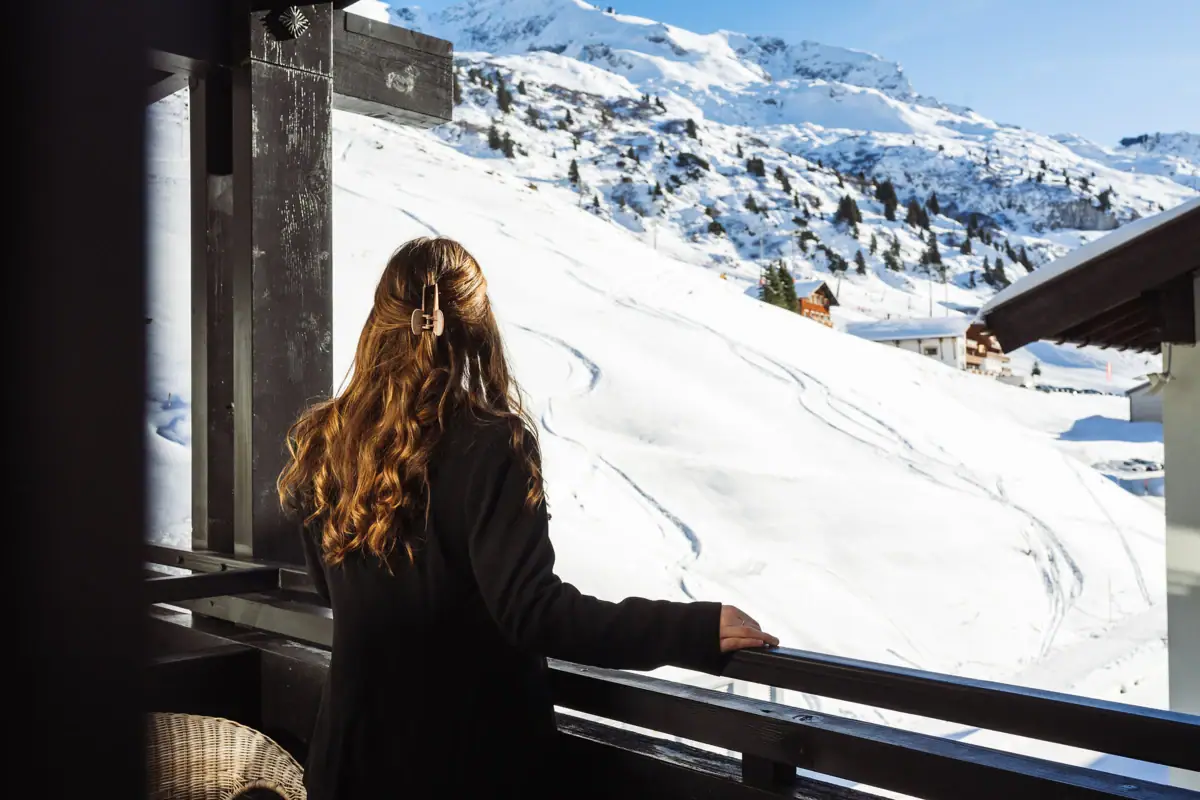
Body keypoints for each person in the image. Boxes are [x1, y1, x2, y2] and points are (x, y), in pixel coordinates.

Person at [278, 237, 777, 800]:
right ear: (479, 326)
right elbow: (532, 612)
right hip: (466, 768)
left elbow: (329, 587)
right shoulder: (492, 444)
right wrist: (688, 631)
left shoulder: (326, 439)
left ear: (381, 320)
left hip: (349, 763)